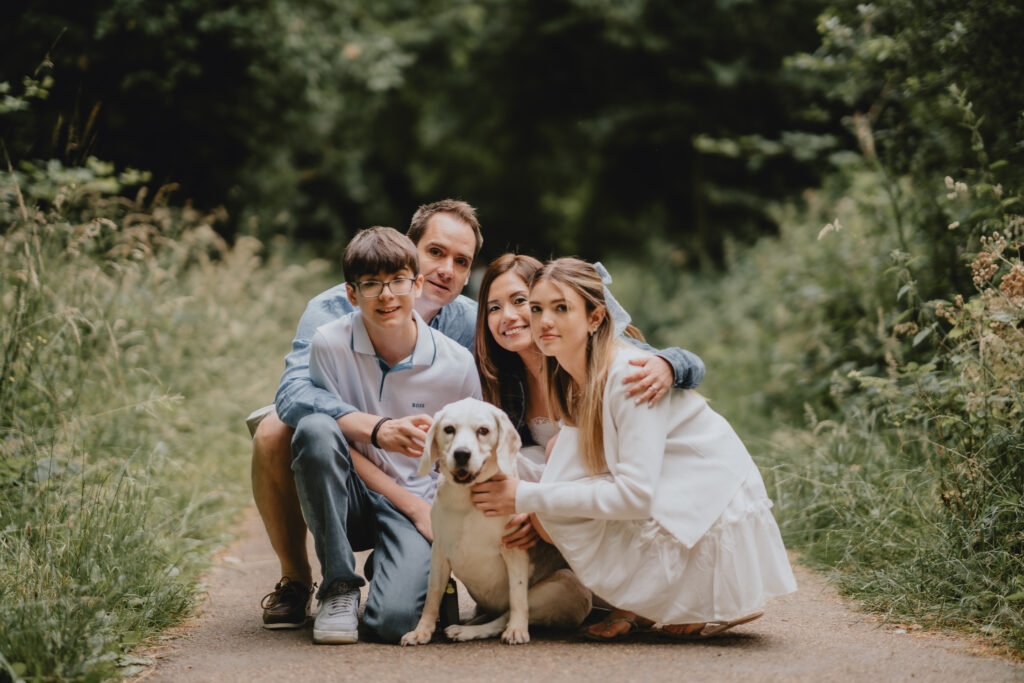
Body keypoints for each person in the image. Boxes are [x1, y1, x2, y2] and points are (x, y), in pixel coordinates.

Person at [471, 258, 797, 641]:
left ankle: (684, 595)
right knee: (549, 503)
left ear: (595, 318)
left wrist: (526, 496)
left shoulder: (630, 373)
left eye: (560, 308)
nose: (542, 320)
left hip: (705, 490)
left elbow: (636, 495)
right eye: (539, 308)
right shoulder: (562, 373)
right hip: (656, 475)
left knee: (550, 503)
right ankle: (634, 598)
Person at [251, 199, 481, 630]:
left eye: (461, 261)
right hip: (346, 469)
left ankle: (405, 563)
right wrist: (376, 430)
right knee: (274, 430)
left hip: (414, 483)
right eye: (436, 252)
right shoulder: (333, 314)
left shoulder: (469, 323)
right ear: (410, 248)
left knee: (396, 622)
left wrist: (651, 358)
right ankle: (300, 580)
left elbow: (552, 326)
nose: (447, 269)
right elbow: (294, 395)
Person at [473, 253, 706, 547]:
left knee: (556, 449)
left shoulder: (584, 355)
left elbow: (691, 363)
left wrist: (667, 366)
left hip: (610, 479)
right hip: (560, 485)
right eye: (494, 307)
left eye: (519, 301)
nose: (507, 315)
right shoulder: (502, 378)